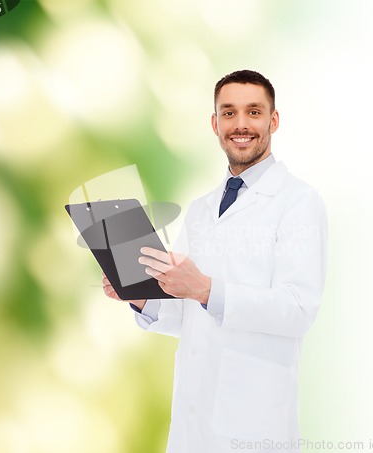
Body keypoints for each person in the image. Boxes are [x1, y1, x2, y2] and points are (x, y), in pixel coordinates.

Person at [102, 70, 328, 453]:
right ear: (215, 123)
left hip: (254, 424)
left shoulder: (298, 202)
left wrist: (206, 289)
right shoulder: (201, 210)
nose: (241, 125)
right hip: (193, 421)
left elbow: (297, 309)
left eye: (254, 112)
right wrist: (141, 298)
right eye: (228, 113)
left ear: (273, 120)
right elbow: (192, 314)